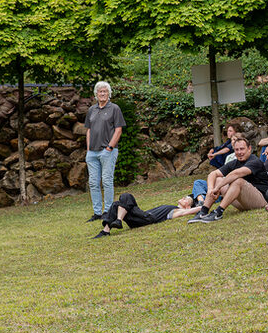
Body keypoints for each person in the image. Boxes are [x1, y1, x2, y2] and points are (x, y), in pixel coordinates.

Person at [190, 135, 268, 222]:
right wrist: (210, 190)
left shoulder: (255, 161)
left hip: (260, 201)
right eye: (236, 150)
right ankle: (203, 211)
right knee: (217, 179)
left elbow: (236, 174)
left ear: (249, 149)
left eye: (242, 149)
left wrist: (217, 188)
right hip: (243, 203)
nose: (239, 152)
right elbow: (213, 174)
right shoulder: (234, 163)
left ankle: (218, 212)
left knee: (238, 181)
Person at [84, 80, 125, 221]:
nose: (102, 93)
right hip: (92, 153)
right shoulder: (92, 110)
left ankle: (108, 211)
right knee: (93, 183)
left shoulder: (114, 108)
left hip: (107, 151)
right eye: (100, 91)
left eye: (105, 91)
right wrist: (88, 149)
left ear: (109, 93)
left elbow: (118, 130)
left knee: (107, 181)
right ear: (96, 94)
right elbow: (88, 130)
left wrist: (110, 147)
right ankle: (97, 213)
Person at [92, 191, 203, 238]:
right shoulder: (173, 207)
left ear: (188, 206)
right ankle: (107, 230)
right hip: (141, 217)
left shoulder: (178, 211)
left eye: (186, 199)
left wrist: (205, 205)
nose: (183, 198)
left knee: (126, 196)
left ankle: (118, 221)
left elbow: (192, 211)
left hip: (148, 218)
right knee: (117, 204)